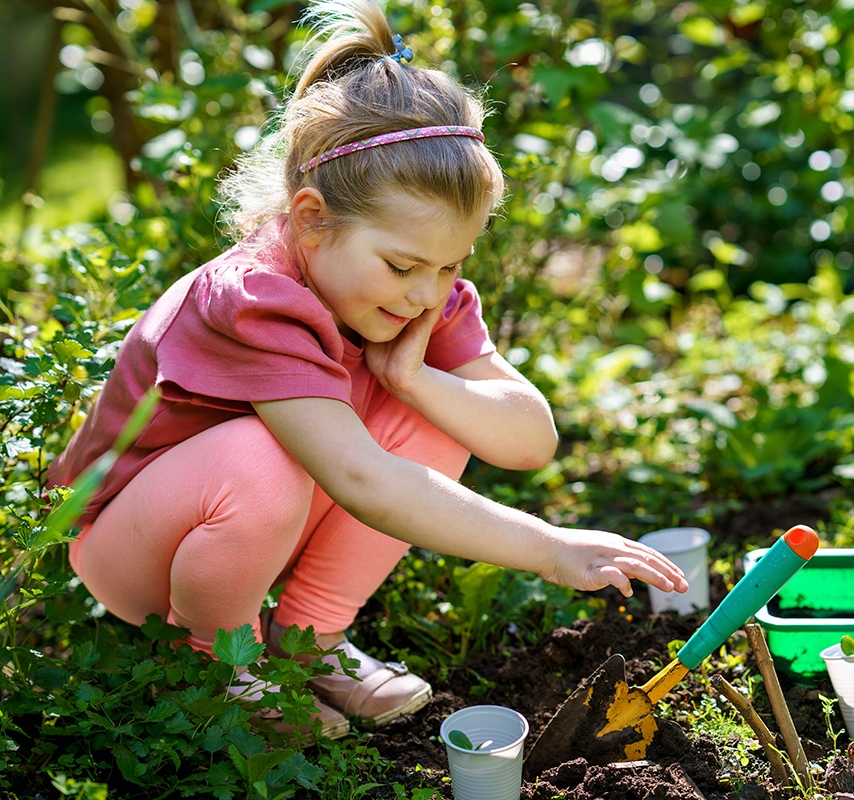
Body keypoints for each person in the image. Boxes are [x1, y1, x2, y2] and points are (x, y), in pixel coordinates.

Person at [48, 0, 687, 740]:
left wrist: (415, 379)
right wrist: (547, 548)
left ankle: (308, 641)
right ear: (313, 219)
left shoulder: (416, 291)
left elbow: (528, 440)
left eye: (451, 265)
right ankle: (214, 669)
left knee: (436, 411)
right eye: (403, 265)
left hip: (246, 534)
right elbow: (361, 479)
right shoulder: (255, 299)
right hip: (135, 547)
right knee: (262, 459)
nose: (426, 292)